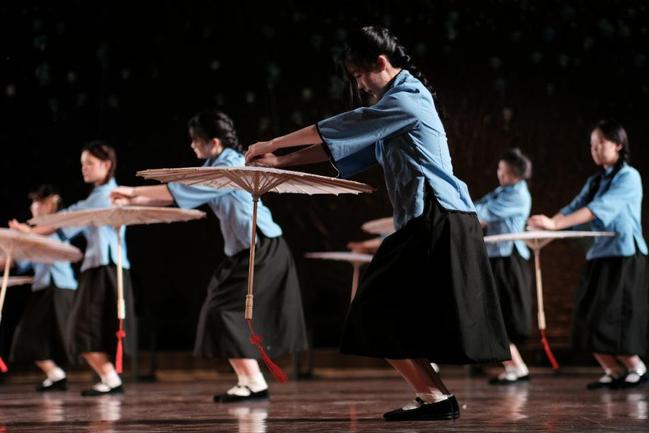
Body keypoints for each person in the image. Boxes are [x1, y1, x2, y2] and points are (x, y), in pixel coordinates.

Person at [245, 26, 510, 421]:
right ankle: (435, 397)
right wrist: (281, 163)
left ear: (382, 63)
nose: (359, 84)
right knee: (389, 312)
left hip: (440, 218)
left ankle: (435, 396)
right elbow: (346, 145)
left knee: (374, 309)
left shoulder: (409, 98)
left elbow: (347, 124)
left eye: (359, 74)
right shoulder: (392, 108)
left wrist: (272, 144)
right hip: (427, 221)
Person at [111, 109, 308, 403]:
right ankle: (249, 380)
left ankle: (254, 381)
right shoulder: (214, 165)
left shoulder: (230, 165)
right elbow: (181, 194)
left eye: (196, 140)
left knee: (223, 309)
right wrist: (132, 202)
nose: (192, 145)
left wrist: (130, 191)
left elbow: (180, 191)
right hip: (244, 251)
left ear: (214, 142)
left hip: (262, 247)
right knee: (218, 307)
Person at [529, 119, 648, 389]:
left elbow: (598, 208)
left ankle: (636, 368)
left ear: (618, 144)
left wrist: (555, 225)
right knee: (585, 316)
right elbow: (575, 206)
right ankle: (612, 370)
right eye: (592, 145)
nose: (595, 150)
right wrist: (550, 224)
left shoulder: (628, 177)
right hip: (599, 255)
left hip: (624, 255)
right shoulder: (594, 181)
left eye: (601, 144)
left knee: (614, 315)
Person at [10, 141, 136, 396]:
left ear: (106, 165)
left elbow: (69, 218)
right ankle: (109, 378)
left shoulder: (106, 196)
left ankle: (110, 378)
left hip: (105, 267)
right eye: (82, 164)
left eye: (89, 163)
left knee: (82, 329)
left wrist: (30, 232)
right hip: (98, 267)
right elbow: (71, 218)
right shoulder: (98, 196)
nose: (84, 168)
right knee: (81, 330)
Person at [2, 185, 77, 392]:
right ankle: (55, 374)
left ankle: (106, 373)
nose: (33, 206)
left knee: (70, 336)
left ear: (48, 204)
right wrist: (12, 252)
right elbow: (24, 260)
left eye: (38, 202)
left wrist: (27, 235)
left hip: (61, 287)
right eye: (33, 202)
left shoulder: (57, 227)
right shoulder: (34, 233)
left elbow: (52, 245)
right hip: (43, 287)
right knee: (28, 336)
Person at [475, 149, 533, 385]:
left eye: (504, 171)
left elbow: (482, 212)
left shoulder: (517, 195)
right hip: (497, 258)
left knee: (502, 315)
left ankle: (517, 366)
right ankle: (515, 366)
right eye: (499, 169)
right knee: (492, 314)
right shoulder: (501, 191)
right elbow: (479, 206)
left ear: (515, 174)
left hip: (509, 261)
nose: (499, 174)